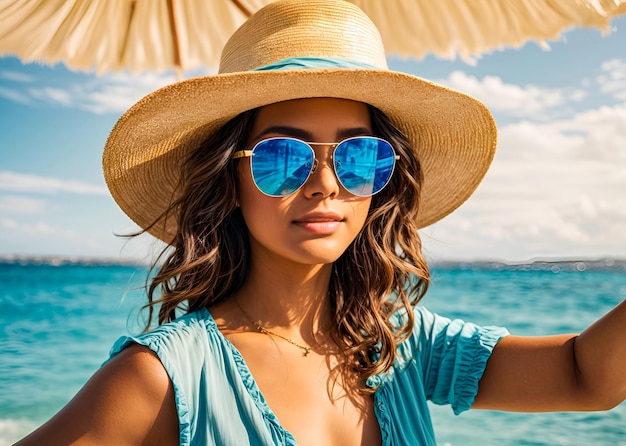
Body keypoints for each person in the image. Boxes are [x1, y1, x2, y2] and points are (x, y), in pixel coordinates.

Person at [15, 0, 625, 445]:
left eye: (361, 157)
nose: (327, 183)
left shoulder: (400, 348)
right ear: (230, 179)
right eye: (285, 156)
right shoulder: (166, 379)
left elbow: (583, 377)